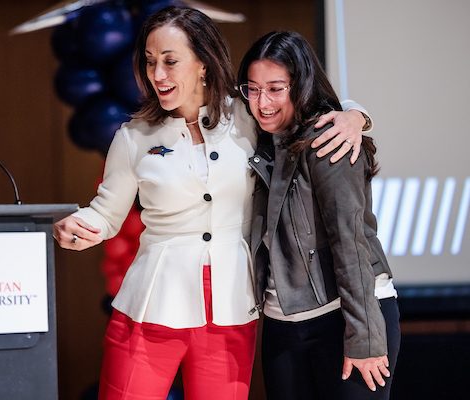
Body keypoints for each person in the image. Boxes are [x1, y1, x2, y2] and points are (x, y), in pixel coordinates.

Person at [54, 7, 371, 400]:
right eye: (150, 62)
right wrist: (81, 227)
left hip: (231, 308)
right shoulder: (133, 136)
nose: (158, 75)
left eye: (170, 62)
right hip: (151, 307)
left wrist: (355, 115)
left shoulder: (248, 114)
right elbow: (105, 212)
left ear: (203, 63)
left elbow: (307, 106)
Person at [237, 30, 400, 400]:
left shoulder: (329, 139)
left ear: (301, 85)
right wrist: (358, 112)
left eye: (276, 89)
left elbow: (350, 242)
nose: (262, 103)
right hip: (282, 322)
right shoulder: (260, 134)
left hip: (344, 316)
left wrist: (365, 337)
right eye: (253, 89)